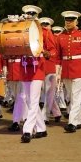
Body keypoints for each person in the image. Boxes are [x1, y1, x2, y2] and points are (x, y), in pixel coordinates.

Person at [19, 9, 57, 144]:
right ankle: (41, 128)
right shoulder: (20, 30)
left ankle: (27, 130)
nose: (30, 17)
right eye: (28, 15)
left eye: (33, 15)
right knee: (29, 100)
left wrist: (47, 53)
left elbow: (53, 50)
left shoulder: (45, 32)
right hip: (24, 68)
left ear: (37, 17)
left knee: (34, 100)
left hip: (37, 69)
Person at [55, 11, 81, 133]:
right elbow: (58, 57)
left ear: (76, 21)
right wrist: (58, 73)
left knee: (76, 96)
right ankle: (79, 120)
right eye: (67, 20)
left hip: (79, 68)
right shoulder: (60, 37)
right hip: (66, 69)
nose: (69, 22)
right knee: (71, 96)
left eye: (71, 20)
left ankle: (72, 122)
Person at [39, 17, 62, 124]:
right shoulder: (38, 34)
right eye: (42, 24)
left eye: (46, 25)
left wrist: (58, 70)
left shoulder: (54, 37)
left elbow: (56, 54)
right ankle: (57, 112)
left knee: (48, 92)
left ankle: (45, 115)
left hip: (50, 66)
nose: (45, 26)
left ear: (50, 26)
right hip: (39, 66)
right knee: (47, 93)